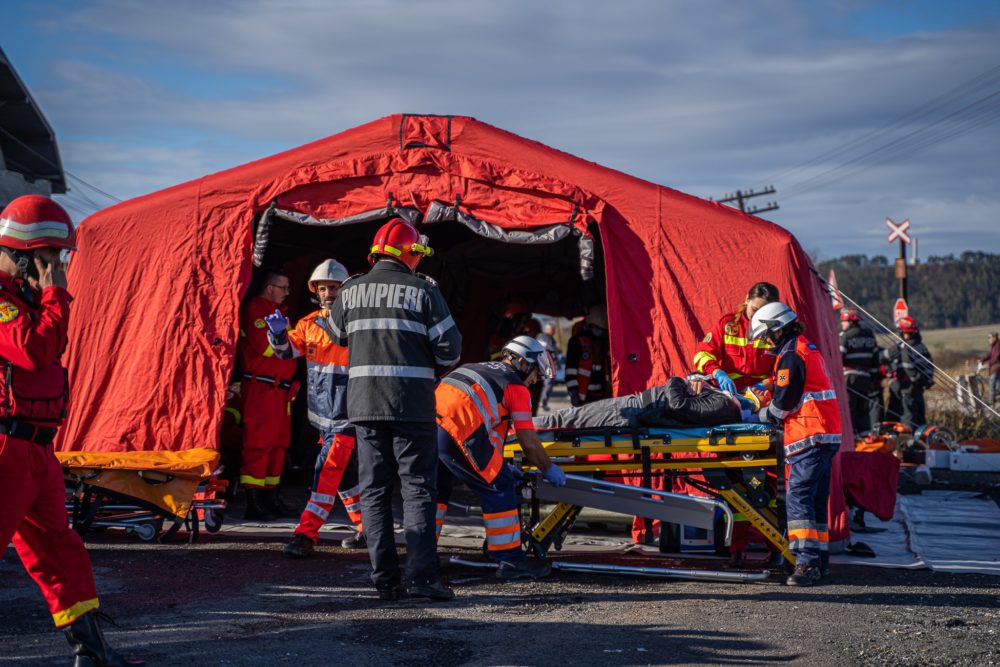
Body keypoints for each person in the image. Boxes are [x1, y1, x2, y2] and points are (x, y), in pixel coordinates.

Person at [0, 195, 142, 665]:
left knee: (60, 550)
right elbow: (34, 352)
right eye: (51, 257)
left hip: (37, 449)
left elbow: (50, 346)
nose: (57, 268)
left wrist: (50, 297)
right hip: (6, 445)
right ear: (24, 254)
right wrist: (55, 295)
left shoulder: (27, 299)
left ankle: (91, 652)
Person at [327, 218, 462, 601]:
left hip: (365, 406)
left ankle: (384, 580)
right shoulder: (424, 291)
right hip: (412, 406)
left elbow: (336, 335)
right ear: (411, 254)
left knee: (374, 490)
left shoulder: (350, 291)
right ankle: (421, 578)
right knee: (417, 489)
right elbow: (451, 350)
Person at [434, 336, 566, 579]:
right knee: (500, 484)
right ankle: (510, 559)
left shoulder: (475, 367)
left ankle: (423, 553)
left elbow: (489, 434)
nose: (535, 379)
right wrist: (548, 468)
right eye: (535, 372)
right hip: (459, 427)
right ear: (522, 363)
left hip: (429, 424)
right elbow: (529, 442)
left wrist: (501, 464)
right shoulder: (515, 386)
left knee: (436, 488)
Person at [264, 259, 367, 558]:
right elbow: (285, 353)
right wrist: (278, 335)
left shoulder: (358, 325)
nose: (328, 293)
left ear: (344, 290)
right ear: (316, 291)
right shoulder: (308, 324)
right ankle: (368, 528)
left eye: (334, 288)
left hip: (346, 416)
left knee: (325, 473)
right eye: (323, 288)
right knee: (345, 478)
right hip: (323, 418)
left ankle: (306, 534)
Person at [750, 301, 842, 587]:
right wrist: (768, 386)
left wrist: (760, 414)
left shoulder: (791, 355)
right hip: (825, 434)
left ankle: (806, 564)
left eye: (766, 336)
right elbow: (794, 386)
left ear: (776, 328)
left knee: (798, 498)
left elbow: (784, 402)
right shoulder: (803, 348)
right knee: (815, 500)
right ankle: (819, 560)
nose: (765, 342)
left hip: (809, 434)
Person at [237, 267, 299, 519]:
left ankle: (271, 497)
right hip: (262, 388)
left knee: (279, 445)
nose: (287, 292)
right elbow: (267, 347)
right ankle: (254, 503)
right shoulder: (256, 310)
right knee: (259, 444)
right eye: (283, 287)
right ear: (269, 287)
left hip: (281, 390)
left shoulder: (278, 313)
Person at [534, 375, 767, 430]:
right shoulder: (725, 402)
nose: (762, 389)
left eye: (766, 395)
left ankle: (522, 427)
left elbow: (678, 406)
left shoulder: (724, 406)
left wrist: (679, 381)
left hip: (635, 411)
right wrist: (700, 380)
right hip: (638, 405)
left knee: (566, 418)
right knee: (567, 417)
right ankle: (524, 426)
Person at [693, 282, 780, 394]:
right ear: (747, 299)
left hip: (762, 394)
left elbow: (788, 367)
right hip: (729, 392)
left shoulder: (777, 331)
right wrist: (717, 372)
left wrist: (768, 384)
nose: (757, 316)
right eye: (754, 309)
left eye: (763, 312)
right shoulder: (728, 324)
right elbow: (702, 354)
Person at [883, 316, 933, 430]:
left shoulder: (906, 347)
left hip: (906, 387)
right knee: (919, 418)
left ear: (903, 333)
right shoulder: (921, 346)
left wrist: (914, 378)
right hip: (918, 388)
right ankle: (921, 437)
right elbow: (929, 366)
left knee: (906, 418)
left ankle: (908, 439)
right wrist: (924, 381)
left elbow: (907, 366)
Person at [839, 308, 879, 434]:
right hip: (866, 378)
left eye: (843, 321)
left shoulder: (846, 336)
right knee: (863, 410)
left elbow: (839, 358)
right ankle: (865, 437)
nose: (842, 324)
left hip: (850, 378)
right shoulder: (869, 335)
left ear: (850, 321)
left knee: (849, 409)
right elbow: (875, 359)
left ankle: (852, 437)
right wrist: (873, 378)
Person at [565, 304, 611, 406]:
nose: (599, 331)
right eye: (597, 327)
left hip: (602, 394)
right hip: (583, 395)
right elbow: (570, 369)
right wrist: (573, 390)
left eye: (602, 329)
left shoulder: (604, 342)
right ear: (589, 324)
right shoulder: (576, 342)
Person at [536, 322, 561, 411]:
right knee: (549, 382)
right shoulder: (544, 338)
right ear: (547, 329)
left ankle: (542, 402)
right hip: (546, 363)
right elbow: (551, 350)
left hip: (547, 363)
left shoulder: (549, 338)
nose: (553, 332)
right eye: (552, 330)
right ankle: (542, 402)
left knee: (548, 383)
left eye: (554, 330)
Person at [977, 331, 1000, 406]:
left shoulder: (998, 346)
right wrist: (982, 360)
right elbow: (990, 355)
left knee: (992, 386)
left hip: (996, 368)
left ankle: (990, 402)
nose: (988, 339)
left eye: (989, 337)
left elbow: (996, 358)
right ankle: (993, 401)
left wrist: (987, 364)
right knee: (996, 387)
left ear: (994, 338)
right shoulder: (994, 346)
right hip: (993, 369)